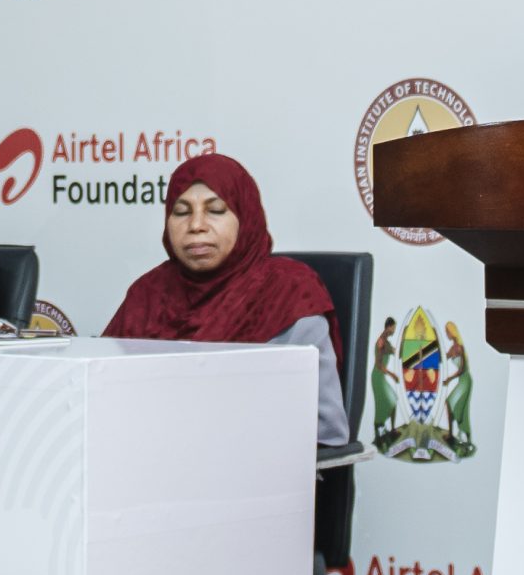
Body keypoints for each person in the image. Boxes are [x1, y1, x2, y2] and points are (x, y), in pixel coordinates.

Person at [104, 154, 348, 448]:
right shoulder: (148, 293)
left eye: (216, 210)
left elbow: (324, 432)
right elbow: (102, 395)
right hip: (143, 457)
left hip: (254, 466)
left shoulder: (289, 293)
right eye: (181, 212)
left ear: (245, 217)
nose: (196, 225)